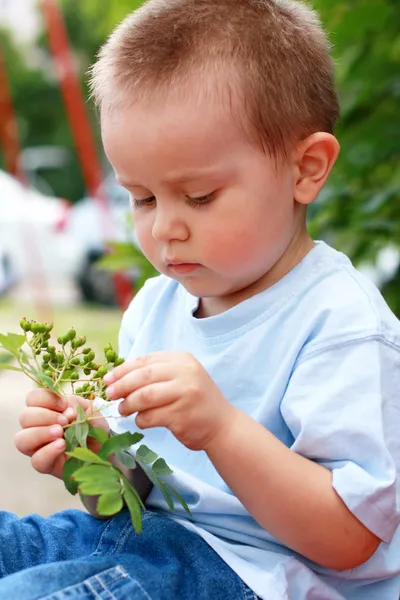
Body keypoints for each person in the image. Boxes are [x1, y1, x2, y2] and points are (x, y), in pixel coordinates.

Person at [1, 0, 400, 598]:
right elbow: (129, 497)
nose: (164, 229)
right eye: (141, 198)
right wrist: (87, 453)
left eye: (200, 196)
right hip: (146, 544)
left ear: (306, 168)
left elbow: (352, 538)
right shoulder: (158, 304)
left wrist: (220, 428)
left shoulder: (339, 324)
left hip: (255, 574)